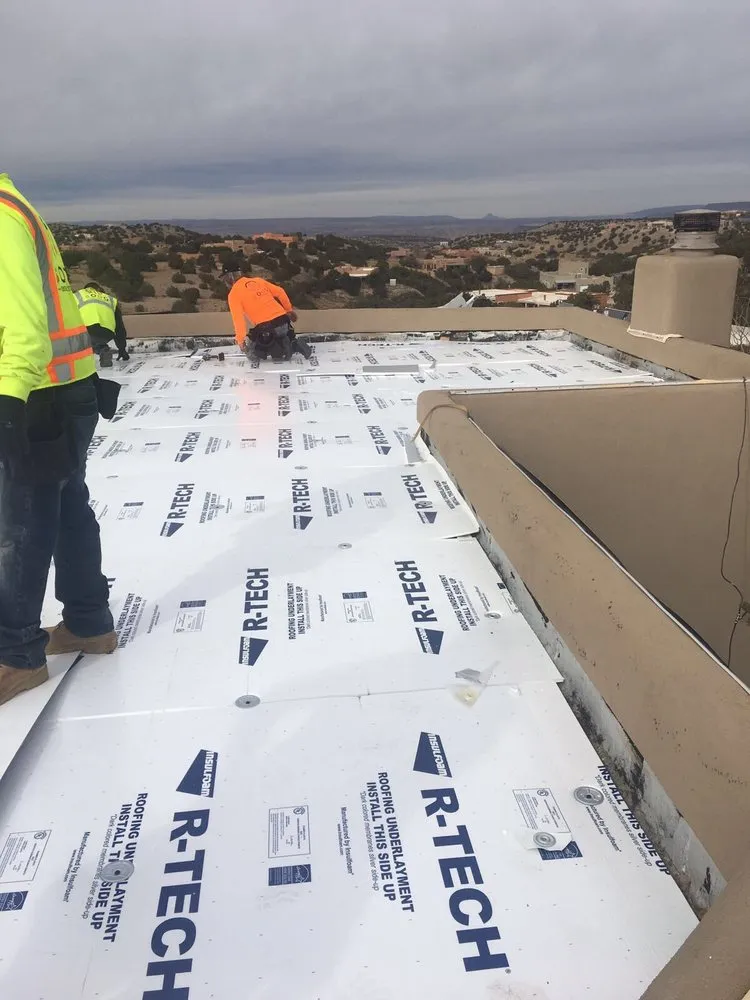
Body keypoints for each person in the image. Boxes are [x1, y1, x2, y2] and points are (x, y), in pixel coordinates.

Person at [0, 173, 116, 707]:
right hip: (66, 390)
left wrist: (8, 402)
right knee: (68, 506)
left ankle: (16, 656)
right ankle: (89, 624)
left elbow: (22, 329)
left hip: (38, 394)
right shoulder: (12, 204)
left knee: (19, 526)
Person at [226, 273, 311, 360]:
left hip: (267, 328)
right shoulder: (258, 281)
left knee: (252, 354)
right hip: (284, 322)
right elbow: (280, 291)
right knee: (276, 337)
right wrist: (289, 310)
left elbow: (238, 320)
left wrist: (240, 341)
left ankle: (289, 347)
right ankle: (289, 342)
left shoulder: (233, 294)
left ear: (230, 277)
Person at [75, 282, 129, 367]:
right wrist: (122, 349)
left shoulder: (77, 296)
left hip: (88, 331)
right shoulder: (110, 299)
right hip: (107, 333)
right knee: (94, 338)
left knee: (80, 339)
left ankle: (100, 350)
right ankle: (102, 348)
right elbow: (119, 328)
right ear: (99, 289)